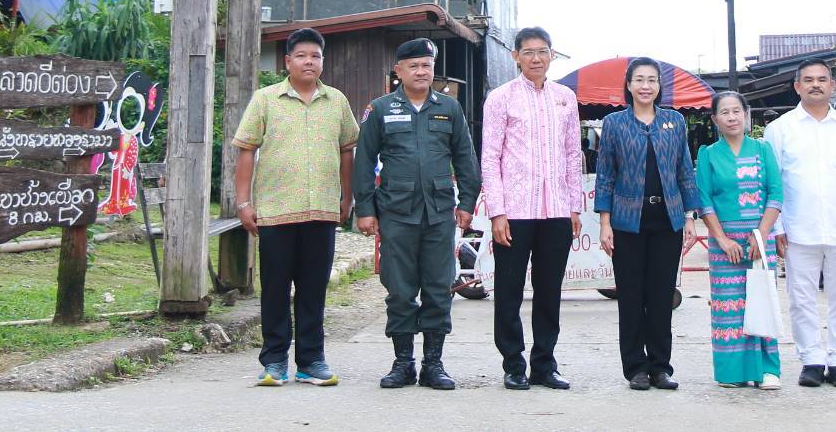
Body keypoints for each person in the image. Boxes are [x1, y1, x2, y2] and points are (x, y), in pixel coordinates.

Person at [232, 27, 358, 387]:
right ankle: (274, 362)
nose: (309, 61)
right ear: (287, 61)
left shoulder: (336, 101)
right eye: (301, 55)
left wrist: (346, 197)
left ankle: (311, 361)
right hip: (274, 210)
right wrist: (243, 202)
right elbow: (246, 149)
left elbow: (347, 149)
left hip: (321, 210)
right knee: (274, 288)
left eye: (315, 56)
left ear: (322, 61)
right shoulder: (266, 99)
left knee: (313, 289)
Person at [354, 38, 480, 390]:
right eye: (414, 65)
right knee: (399, 288)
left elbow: (466, 159)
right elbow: (364, 161)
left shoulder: (449, 109)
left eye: (427, 65)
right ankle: (403, 363)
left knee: (439, 288)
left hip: (440, 213)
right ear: (398, 71)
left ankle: (433, 364)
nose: (421, 71)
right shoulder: (380, 110)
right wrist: (365, 209)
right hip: (395, 213)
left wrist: (467, 203)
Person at [763, 60, 836, 389]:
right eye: (808, 80)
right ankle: (811, 359)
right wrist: (777, 226)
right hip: (798, 229)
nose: (816, 85)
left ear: (832, 86)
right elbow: (773, 182)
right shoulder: (780, 129)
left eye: (822, 80)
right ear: (797, 86)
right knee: (801, 299)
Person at [480, 25, 583, 391]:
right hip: (515, 211)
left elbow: (574, 154)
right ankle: (513, 363)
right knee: (508, 290)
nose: (536, 58)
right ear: (515, 56)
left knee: (549, 290)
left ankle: (544, 363)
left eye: (543, 51)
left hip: (556, 209)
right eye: (529, 52)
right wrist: (497, 212)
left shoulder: (565, 98)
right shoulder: (500, 98)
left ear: (552, 55)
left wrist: (574, 206)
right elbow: (490, 158)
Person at [595, 57, 701, 391]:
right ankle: (635, 368)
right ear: (628, 85)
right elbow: (606, 174)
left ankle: (660, 367)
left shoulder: (675, 122)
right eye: (638, 79)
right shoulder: (614, 123)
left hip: (667, 219)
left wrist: (689, 217)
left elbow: (684, 170)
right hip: (627, 221)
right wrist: (605, 222)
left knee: (660, 297)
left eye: (651, 80)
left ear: (659, 86)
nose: (645, 86)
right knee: (631, 297)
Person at [695, 90, 784, 389]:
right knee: (729, 307)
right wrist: (721, 240)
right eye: (725, 112)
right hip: (724, 245)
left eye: (737, 111)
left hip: (760, 239)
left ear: (746, 115)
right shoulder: (708, 154)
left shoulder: (762, 150)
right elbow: (704, 200)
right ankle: (731, 372)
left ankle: (769, 370)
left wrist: (761, 236)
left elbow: (776, 194)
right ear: (714, 119)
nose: (732, 117)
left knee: (762, 301)